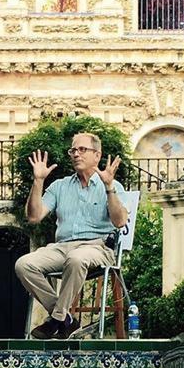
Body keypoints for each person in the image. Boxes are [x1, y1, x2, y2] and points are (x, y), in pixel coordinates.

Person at [15, 132, 129, 339]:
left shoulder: (112, 186)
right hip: (62, 247)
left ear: (97, 155)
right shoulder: (60, 186)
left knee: (76, 259)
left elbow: (120, 221)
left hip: (98, 247)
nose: (76, 154)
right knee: (24, 264)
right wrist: (38, 181)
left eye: (82, 149)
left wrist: (109, 188)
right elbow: (34, 216)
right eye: (73, 150)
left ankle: (56, 320)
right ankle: (64, 319)